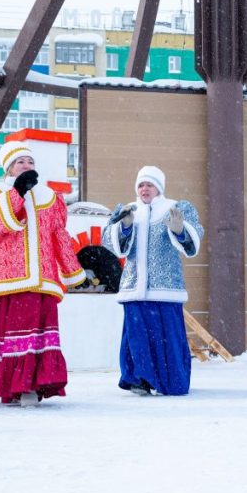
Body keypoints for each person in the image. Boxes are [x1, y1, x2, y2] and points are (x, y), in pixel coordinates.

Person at [0, 140, 86, 407]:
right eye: (20, 162)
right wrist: (17, 192)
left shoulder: (50, 197)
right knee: (11, 336)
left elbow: (59, 235)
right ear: (8, 168)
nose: (26, 165)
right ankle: (11, 386)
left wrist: (73, 271)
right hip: (7, 280)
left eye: (30, 161)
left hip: (42, 280)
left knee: (34, 335)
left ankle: (30, 385)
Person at [103, 165, 204, 396]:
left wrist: (180, 231)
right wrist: (124, 227)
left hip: (165, 288)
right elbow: (110, 242)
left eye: (149, 184)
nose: (144, 189)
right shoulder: (128, 211)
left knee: (166, 337)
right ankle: (139, 379)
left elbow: (193, 241)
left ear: (159, 187)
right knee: (137, 337)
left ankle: (169, 380)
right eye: (141, 185)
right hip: (134, 287)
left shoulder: (174, 209)